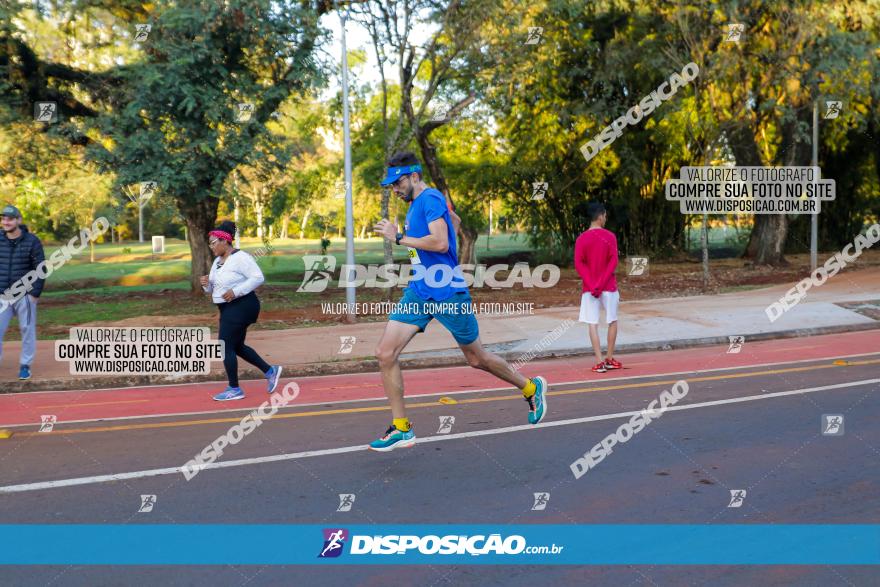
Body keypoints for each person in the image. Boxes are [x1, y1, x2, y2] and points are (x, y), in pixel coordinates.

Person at [369, 151, 548, 451]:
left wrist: (397, 237)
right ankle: (402, 428)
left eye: (397, 182)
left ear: (414, 176)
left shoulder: (429, 199)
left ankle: (531, 388)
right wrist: (449, 220)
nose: (394, 189)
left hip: (448, 292)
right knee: (385, 353)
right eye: (391, 185)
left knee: (477, 359)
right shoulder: (419, 204)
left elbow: (439, 243)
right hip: (419, 291)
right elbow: (454, 221)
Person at [200, 220, 282, 400]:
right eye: (210, 243)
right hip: (228, 307)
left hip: (243, 305)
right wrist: (207, 285)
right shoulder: (217, 262)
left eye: (213, 243)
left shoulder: (241, 258)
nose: (211, 246)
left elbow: (258, 278)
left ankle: (234, 389)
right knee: (236, 346)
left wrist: (236, 291)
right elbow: (215, 288)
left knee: (225, 345)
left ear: (225, 241)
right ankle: (270, 371)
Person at [574, 202, 621, 374]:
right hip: (608, 286)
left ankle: (599, 361)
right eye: (605, 216)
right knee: (612, 320)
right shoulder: (610, 237)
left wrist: (593, 284)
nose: (606, 218)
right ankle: (609, 358)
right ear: (600, 216)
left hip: (589, 289)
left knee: (592, 323)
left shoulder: (581, 239)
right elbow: (613, 262)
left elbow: (579, 264)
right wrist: (601, 284)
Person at [0, 205, 45, 380]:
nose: (6, 222)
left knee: (27, 329)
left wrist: (34, 294)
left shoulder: (32, 241)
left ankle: (25, 365)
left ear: (18, 220)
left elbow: (40, 268)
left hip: (25, 296)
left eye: (10, 218)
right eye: (3, 218)